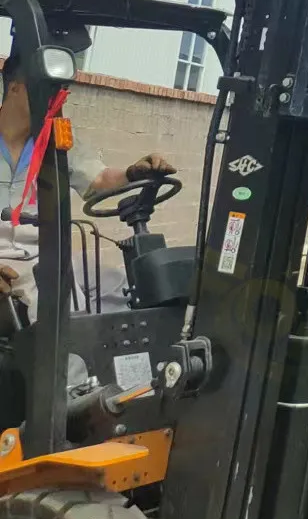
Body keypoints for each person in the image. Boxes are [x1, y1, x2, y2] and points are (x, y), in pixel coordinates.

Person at [0, 53, 176, 320]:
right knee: (61, 295)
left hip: (44, 253)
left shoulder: (56, 142)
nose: (56, 100)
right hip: (8, 261)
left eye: (60, 92)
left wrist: (132, 172)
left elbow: (99, 180)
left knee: (117, 285)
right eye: (48, 90)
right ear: (14, 88)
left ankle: (119, 347)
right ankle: (69, 348)